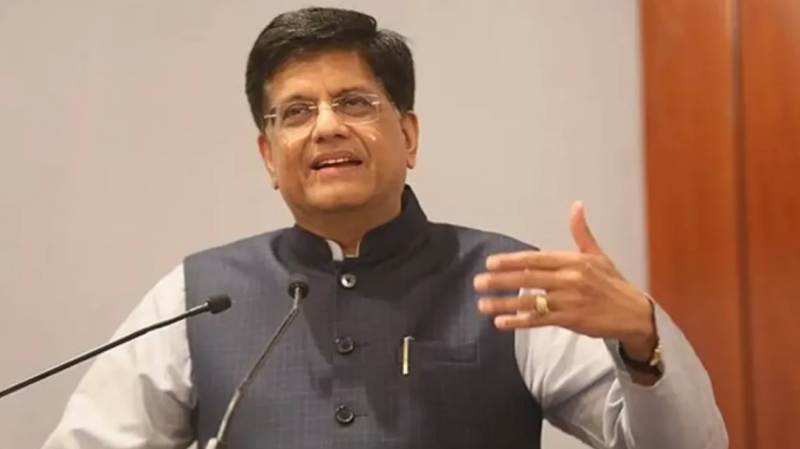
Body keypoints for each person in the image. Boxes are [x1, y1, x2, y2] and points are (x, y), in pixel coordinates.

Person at [42, 6, 728, 449]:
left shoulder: (510, 283)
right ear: (269, 156)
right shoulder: (198, 295)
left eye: (353, 102)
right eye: (296, 112)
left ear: (408, 135)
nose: (327, 126)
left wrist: (641, 339)